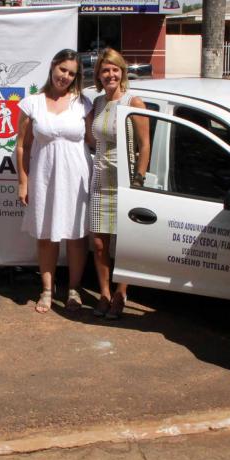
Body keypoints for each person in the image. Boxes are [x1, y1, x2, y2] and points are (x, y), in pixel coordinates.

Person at [16, 49, 93, 313]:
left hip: (77, 178)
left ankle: (74, 289)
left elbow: (94, 142)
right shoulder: (32, 103)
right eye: (63, 70)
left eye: (72, 73)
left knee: (76, 236)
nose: (66, 76)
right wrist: (23, 181)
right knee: (46, 235)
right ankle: (47, 290)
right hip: (44, 177)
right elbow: (23, 147)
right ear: (53, 67)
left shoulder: (84, 103)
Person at [86, 48, 150, 319]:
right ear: (99, 75)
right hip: (100, 178)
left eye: (115, 69)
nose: (110, 74)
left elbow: (145, 145)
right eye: (105, 70)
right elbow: (91, 140)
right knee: (100, 244)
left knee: (125, 244)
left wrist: (139, 179)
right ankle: (104, 293)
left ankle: (122, 292)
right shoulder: (97, 103)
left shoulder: (133, 102)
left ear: (122, 72)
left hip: (126, 181)